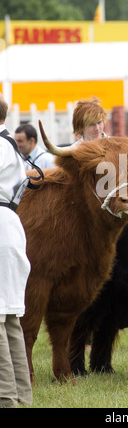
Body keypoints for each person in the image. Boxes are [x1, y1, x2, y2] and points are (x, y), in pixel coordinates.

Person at [0, 95, 32, 408]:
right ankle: (21, 395)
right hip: (9, 223)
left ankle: (6, 398)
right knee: (8, 318)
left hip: (1, 226)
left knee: (2, 318)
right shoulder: (8, 144)